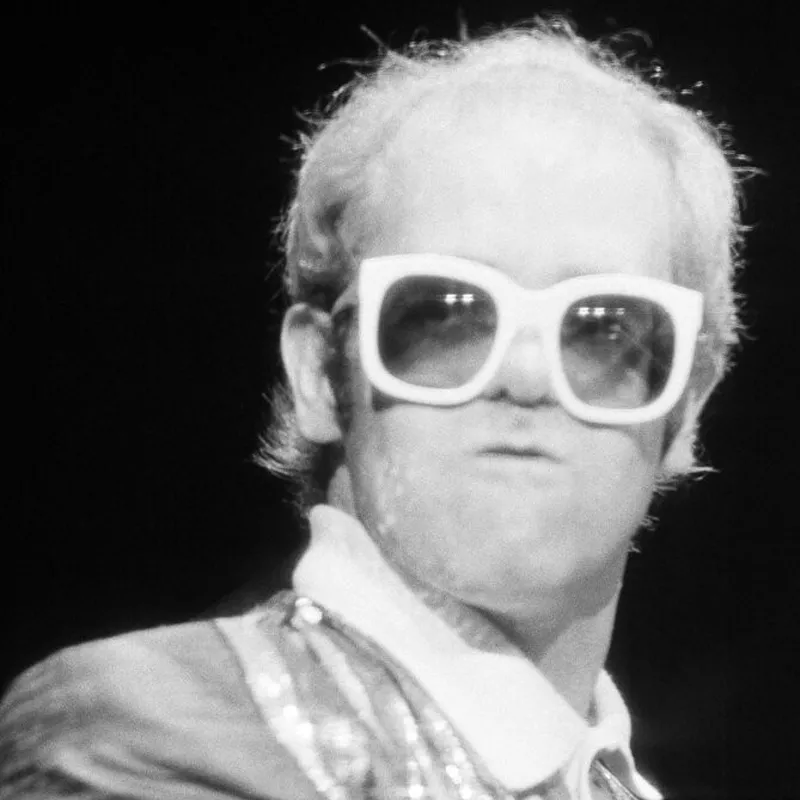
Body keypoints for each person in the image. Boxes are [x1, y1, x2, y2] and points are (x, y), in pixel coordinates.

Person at [0, 18, 750, 800]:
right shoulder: (146, 735)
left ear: (687, 405)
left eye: (602, 328)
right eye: (446, 316)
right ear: (322, 374)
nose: (527, 376)